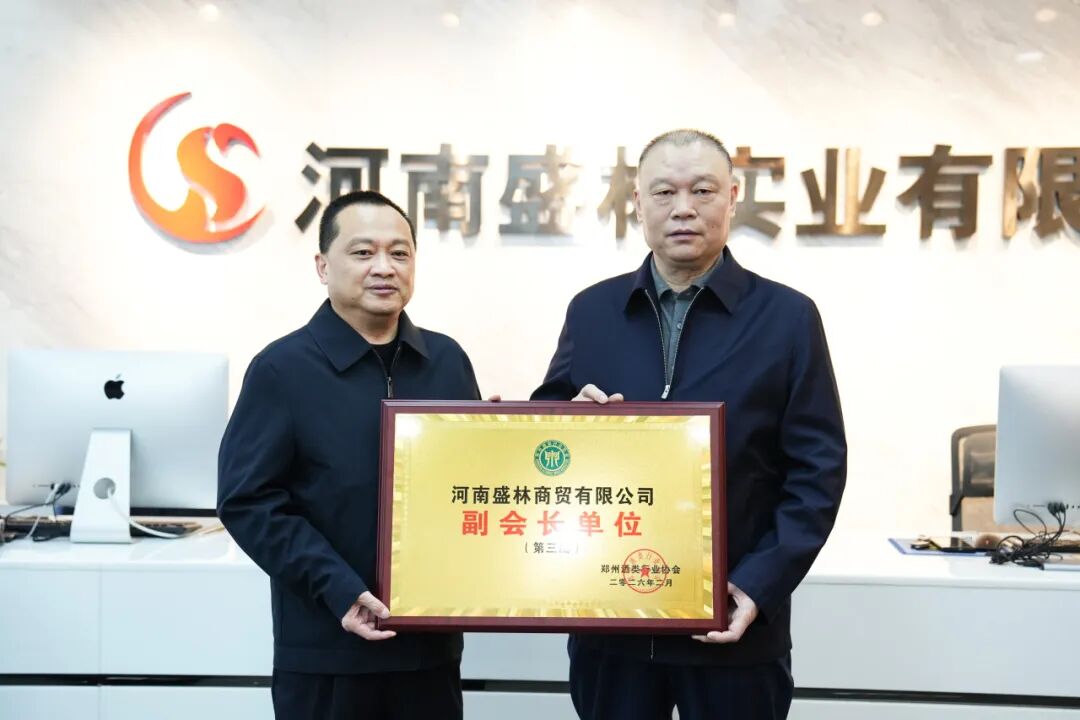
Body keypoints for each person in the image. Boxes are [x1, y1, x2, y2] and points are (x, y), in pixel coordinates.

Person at [532, 129, 847, 719]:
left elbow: (817, 470)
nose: (683, 208)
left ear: (732, 198)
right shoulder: (593, 310)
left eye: (702, 190)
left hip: (732, 622)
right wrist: (566, 420)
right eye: (664, 192)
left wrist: (759, 584)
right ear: (637, 203)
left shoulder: (787, 317)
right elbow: (545, 438)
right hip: (611, 626)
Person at [218, 190, 480, 719]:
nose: (384, 267)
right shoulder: (282, 369)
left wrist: (501, 439)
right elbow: (247, 501)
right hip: (327, 651)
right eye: (363, 252)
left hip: (429, 652)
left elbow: (472, 489)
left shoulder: (447, 361)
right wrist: (336, 588)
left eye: (399, 253)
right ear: (323, 266)